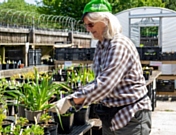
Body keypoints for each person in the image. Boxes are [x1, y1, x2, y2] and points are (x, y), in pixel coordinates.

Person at [50, 0, 152, 135]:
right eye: (86, 25)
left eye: (91, 24)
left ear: (105, 21)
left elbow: (105, 83)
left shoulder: (119, 44)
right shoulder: (101, 45)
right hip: (111, 115)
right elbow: (99, 79)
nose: (88, 29)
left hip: (130, 116)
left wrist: (71, 101)